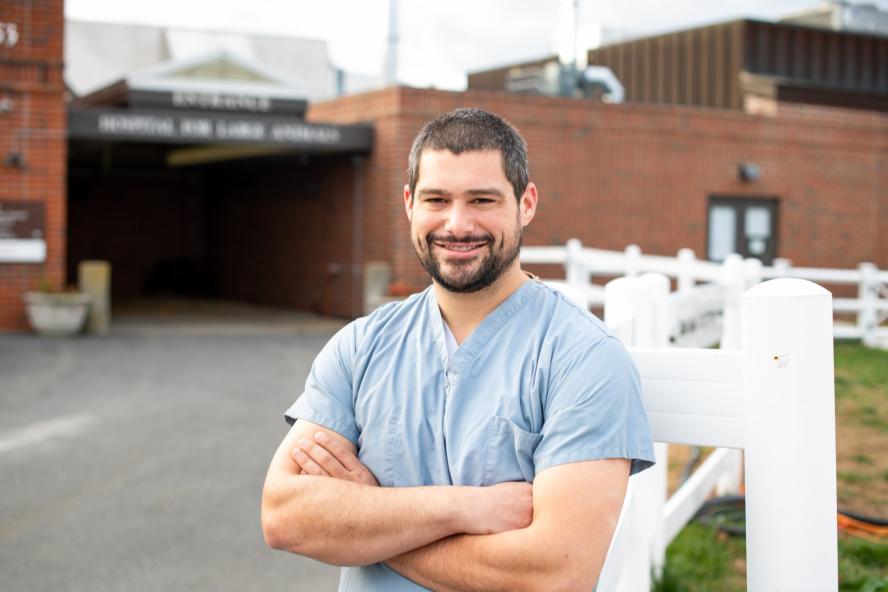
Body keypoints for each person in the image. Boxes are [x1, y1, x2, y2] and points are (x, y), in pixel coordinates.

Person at [261, 107, 655, 591]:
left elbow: (556, 575)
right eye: (436, 199)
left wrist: (372, 515)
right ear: (409, 203)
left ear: (526, 203)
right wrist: (463, 506)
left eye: (482, 199)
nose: (457, 223)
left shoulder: (583, 359)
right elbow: (284, 514)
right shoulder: (362, 346)